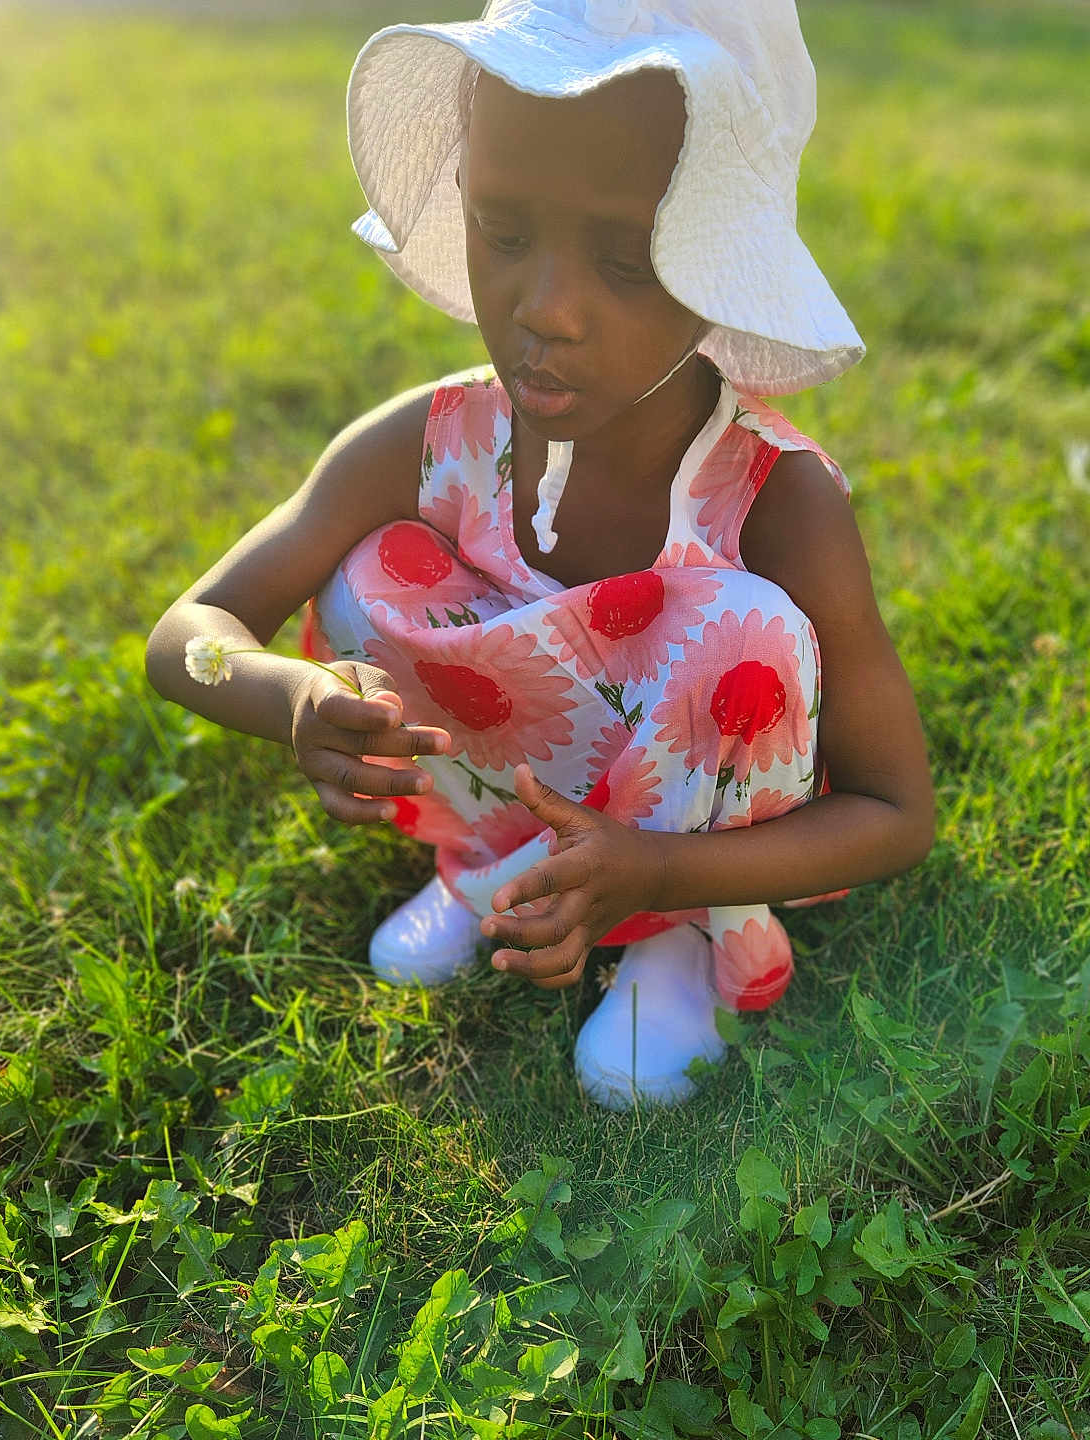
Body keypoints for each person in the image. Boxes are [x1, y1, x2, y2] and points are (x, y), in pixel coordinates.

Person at [146, 0, 934, 1110]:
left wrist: (661, 869)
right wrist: (289, 694)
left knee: (736, 630)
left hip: (691, 850)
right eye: (505, 232)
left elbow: (896, 813)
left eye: (626, 258)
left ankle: (679, 945)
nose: (547, 308)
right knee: (377, 568)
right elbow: (189, 634)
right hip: (510, 793)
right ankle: (486, 874)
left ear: (719, 259)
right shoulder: (435, 441)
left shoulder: (777, 500)